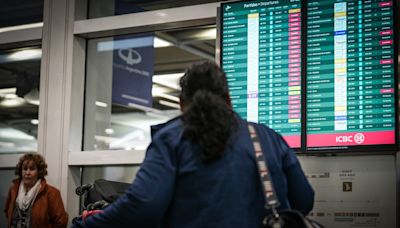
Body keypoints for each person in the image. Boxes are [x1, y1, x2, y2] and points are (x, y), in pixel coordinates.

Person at [73, 61, 314, 227]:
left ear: (181, 103)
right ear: (228, 99)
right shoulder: (268, 138)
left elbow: (144, 207)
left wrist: (88, 223)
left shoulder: (172, 140)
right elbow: (303, 200)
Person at [4, 153, 68, 228]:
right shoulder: (14, 189)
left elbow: (61, 222)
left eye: (32, 169)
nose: (27, 173)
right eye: (24, 169)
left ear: (39, 171)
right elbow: (7, 211)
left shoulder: (51, 193)